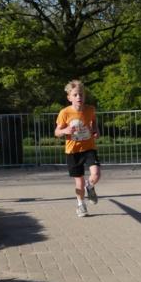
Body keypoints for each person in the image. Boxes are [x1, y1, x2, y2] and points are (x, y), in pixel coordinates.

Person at [54, 80, 100, 218]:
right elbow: (57, 132)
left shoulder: (90, 109)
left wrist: (96, 131)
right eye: (75, 95)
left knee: (96, 174)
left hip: (89, 147)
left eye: (81, 94)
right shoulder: (64, 113)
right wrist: (65, 130)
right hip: (73, 151)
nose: (79, 97)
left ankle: (90, 186)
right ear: (69, 97)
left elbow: (94, 123)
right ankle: (81, 204)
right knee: (78, 181)